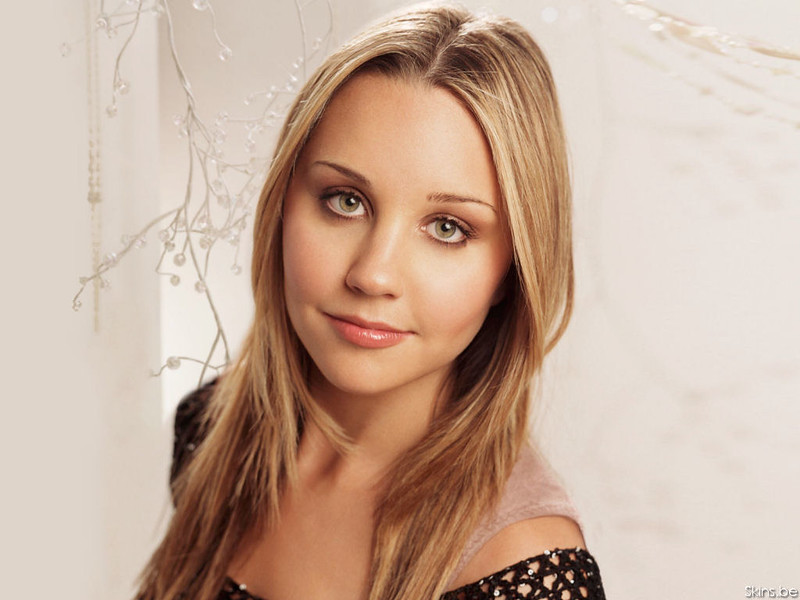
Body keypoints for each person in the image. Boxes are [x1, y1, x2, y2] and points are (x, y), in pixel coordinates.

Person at [137, 3, 606, 599]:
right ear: (283, 203)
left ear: (513, 272)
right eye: (345, 200)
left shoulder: (523, 573)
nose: (373, 274)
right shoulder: (212, 432)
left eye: (447, 228)